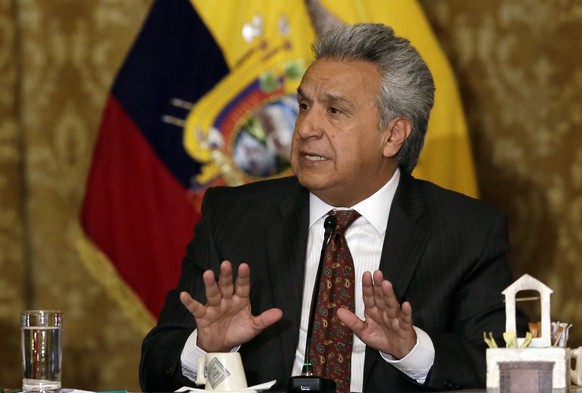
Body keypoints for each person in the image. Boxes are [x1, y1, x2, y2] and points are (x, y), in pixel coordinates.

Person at [139, 23, 528, 392]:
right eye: (304, 105)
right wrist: (206, 349)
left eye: (335, 111)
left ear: (393, 135)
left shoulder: (467, 231)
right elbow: (156, 367)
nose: (306, 127)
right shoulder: (233, 216)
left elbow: (514, 367)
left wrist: (412, 351)